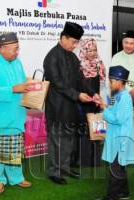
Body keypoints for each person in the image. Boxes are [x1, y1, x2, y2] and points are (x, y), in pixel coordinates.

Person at [43, 22, 100, 185]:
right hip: (56, 106)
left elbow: (80, 79)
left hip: (71, 106)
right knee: (56, 139)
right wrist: (78, 95)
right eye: (73, 42)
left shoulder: (73, 56)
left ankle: (65, 168)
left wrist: (92, 93)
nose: (75, 45)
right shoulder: (51, 56)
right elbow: (57, 82)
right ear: (63, 38)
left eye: (77, 42)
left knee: (68, 139)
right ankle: (54, 172)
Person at [0, 32, 32, 194]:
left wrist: (31, 96)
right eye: (14, 49)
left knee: (14, 150)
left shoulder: (17, 63)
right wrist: (12, 89)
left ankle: (16, 178)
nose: (17, 52)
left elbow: (23, 84)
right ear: (2, 48)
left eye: (18, 49)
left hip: (15, 116)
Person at [94, 66, 134, 200]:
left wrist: (104, 111)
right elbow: (116, 112)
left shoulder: (124, 97)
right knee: (119, 166)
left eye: (111, 81)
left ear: (119, 81)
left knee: (115, 169)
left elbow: (118, 118)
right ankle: (124, 192)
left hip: (120, 139)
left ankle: (112, 196)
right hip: (118, 136)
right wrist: (105, 107)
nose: (110, 83)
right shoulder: (120, 95)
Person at [70, 38, 106, 168]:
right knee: (82, 131)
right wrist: (90, 95)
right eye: (89, 50)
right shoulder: (78, 65)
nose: (92, 53)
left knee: (97, 131)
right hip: (81, 103)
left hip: (95, 103)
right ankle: (80, 160)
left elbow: (101, 83)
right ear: (83, 50)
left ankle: (95, 160)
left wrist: (98, 98)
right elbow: (78, 85)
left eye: (94, 50)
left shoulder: (99, 63)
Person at [111, 30, 134, 123]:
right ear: (122, 43)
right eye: (126, 42)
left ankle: (128, 137)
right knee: (116, 118)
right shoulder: (116, 57)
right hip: (119, 91)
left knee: (130, 120)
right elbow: (114, 77)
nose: (128, 45)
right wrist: (130, 91)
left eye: (131, 43)